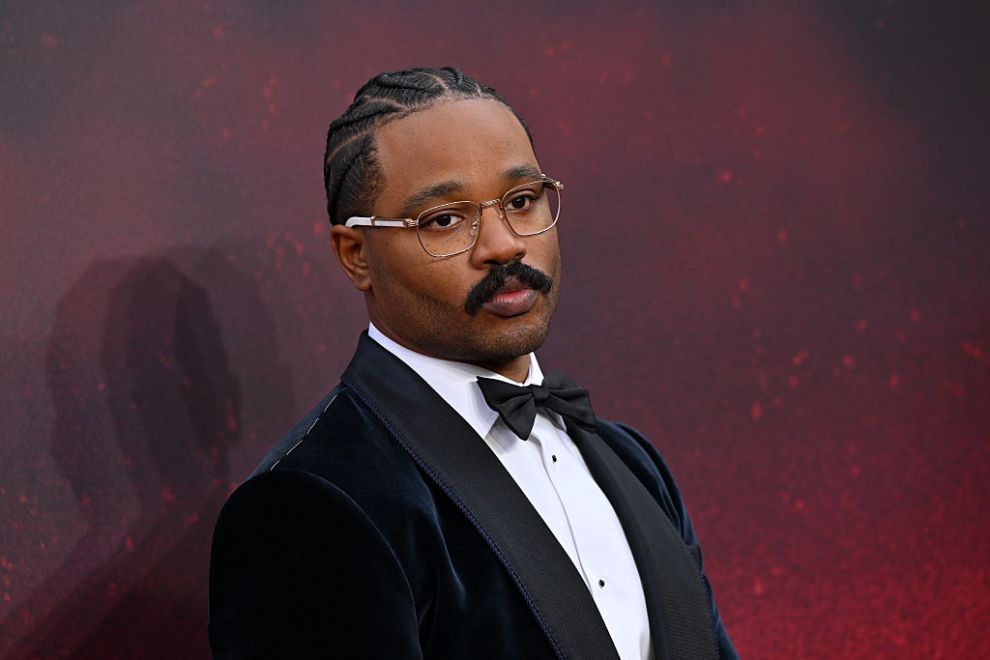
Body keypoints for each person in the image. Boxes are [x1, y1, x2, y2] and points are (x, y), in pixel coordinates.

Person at [208, 66, 737, 659]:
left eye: (522, 201)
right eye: (444, 220)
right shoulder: (310, 504)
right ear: (356, 255)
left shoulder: (634, 463)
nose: (504, 245)